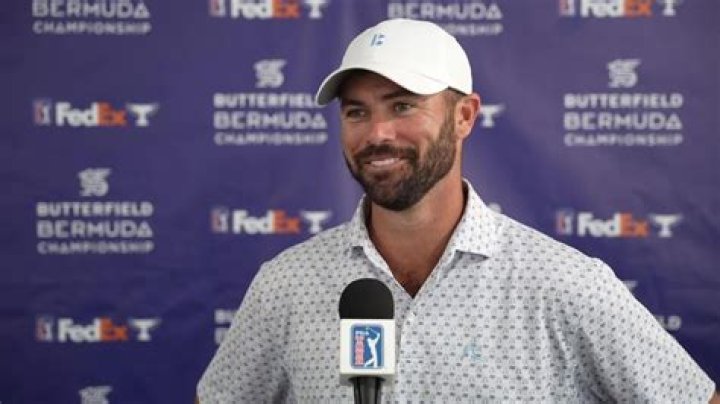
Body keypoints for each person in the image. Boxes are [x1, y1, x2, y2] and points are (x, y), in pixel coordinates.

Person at [197, 18, 718, 403]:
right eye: (357, 112)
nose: (377, 133)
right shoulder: (286, 286)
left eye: (403, 105)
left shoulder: (566, 285)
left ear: (464, 115)